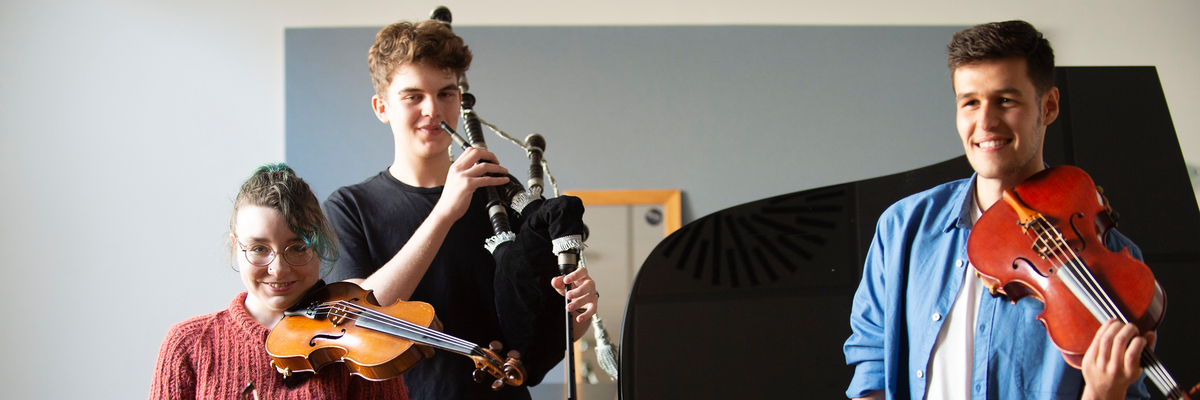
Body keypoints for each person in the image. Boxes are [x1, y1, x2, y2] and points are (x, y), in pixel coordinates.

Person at [843, 20, 1153, 400]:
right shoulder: (902, 227)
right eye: (970, 102)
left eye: (1005, 100)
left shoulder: (1112, 263)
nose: (986, 122)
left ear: (1049, 106)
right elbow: (872, 362)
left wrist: (1103, 393)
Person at [322, 19, 598, 400]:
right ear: (381, 107)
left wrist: (577, 312)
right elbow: (355, 318)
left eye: (446, 93)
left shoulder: (501, 194)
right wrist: (444, 212)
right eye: (413, 96)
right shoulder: (349, 207)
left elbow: (541, 327)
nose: (433, 110)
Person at [150, 164, 409, 399]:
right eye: (259, 249)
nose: (278, 269)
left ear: (319, 246)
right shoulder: (188, 345)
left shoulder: (363, 348)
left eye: (297, 248)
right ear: (235, 247)